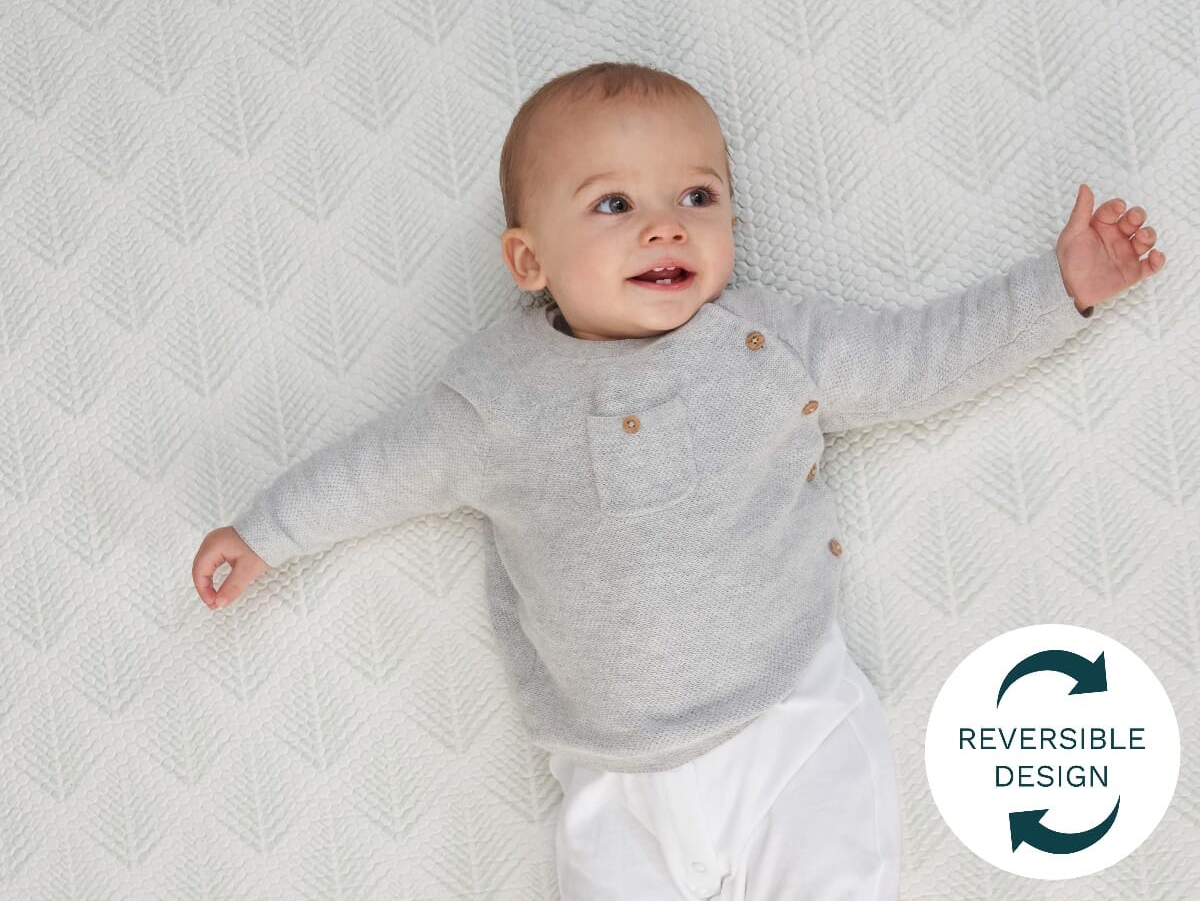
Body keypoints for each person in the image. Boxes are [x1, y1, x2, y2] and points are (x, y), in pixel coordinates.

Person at [191, 62, 1166, 899]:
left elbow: (922, 359)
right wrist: (265, 532)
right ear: (529, 260)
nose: (665, 228)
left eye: (697, 198)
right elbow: (378, 468)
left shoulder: (767, 345)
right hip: (611, 774)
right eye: (615, 205)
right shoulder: (493, 401)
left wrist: (1058, 289)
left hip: (790, 722)